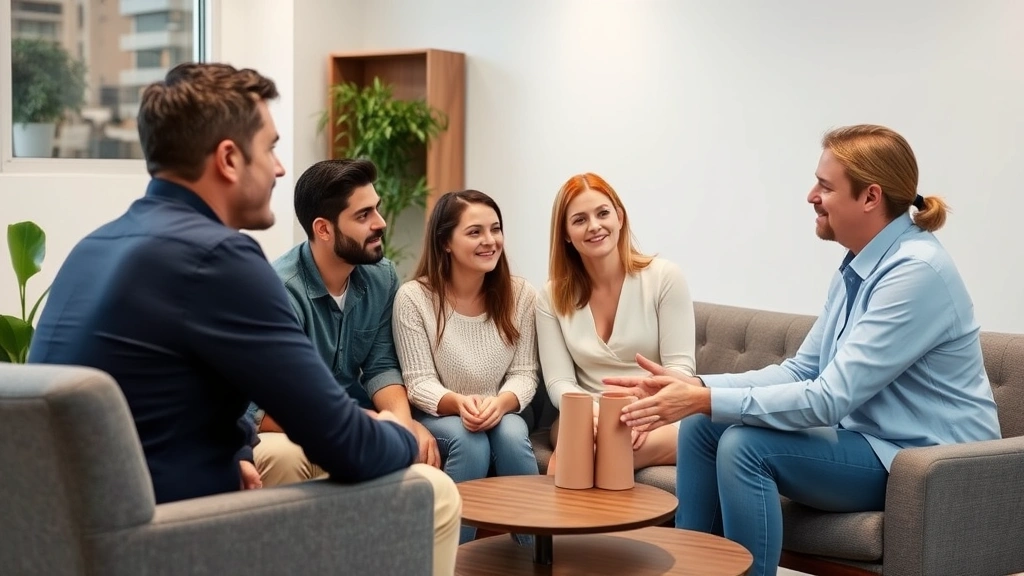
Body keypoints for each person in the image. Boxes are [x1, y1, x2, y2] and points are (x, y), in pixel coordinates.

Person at [27, 62, 460, 576]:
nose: (279, 169)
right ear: (229, 158)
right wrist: (404, 434)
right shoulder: (218, 258)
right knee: (433, 491)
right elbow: (346, 446)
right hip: (166, 542)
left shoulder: (93, 247)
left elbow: (164, 395)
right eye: (271, 147)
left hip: (65, 546)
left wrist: (235, 449)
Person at [606, 124, 1001, 576]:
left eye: (825, 186)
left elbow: (829, 397)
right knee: (701, 426)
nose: (811, 195)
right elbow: (802, 371)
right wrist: (696, 387)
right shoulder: (858, 264)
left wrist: (706, 397)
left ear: (870, 197)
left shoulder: (916, 273)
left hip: (930, 465)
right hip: (873, 444)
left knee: (744, 446)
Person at [249, 158, 440, 486]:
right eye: (363, 215)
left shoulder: (382, 278)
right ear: (323, 229)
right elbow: (261, 406)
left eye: (376, 209)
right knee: (285, 455)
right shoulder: (277, 290)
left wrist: (401, 427)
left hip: (352, 420)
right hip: (283, 425)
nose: (380, 223)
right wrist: (364, 424)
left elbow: (382, 367)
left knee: (420, 464)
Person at [392, 190, 540, 545]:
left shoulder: (522, 295)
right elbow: (418, 382)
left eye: (495, 229)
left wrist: (501, 403)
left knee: (510, 433)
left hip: (503, 410)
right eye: (475, 232)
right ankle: (448, 562)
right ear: (445, 242)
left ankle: (535, 554)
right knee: (467, 440)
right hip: (439, 414)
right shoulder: (413, 298)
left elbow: (525, 373)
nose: (490, 241)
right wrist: (459, 403)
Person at [535, 172, 696, 472]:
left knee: (593, 456)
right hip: (584, 413)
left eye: (603, 213)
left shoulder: (665, 278)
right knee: (579, 444)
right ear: (566, 234)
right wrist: (592, 413)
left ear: (620, 217)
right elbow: (559, 382)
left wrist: (646, 412)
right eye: (579, 219)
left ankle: (556, 517)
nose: (594, 226)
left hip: (658, 414)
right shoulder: (551, 296)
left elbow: (680, 369)